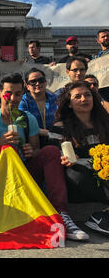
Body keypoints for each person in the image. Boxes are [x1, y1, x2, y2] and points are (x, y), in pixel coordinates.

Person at [0, 73, 89, 241]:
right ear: (0, 93)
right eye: (9, 93)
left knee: (51, 151)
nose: (13, 98)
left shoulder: (28, 118)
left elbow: (37, 150)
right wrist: (0, 143)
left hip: (26, 175)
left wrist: (31, 151)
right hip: (0, 180)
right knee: (9, 150)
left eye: (18, 94)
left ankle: (62, 214)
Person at [50, 81, 109, 235]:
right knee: (74, 173)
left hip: (105, 174)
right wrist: (63, 158)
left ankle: (102, 217)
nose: (84, 99)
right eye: (78, 97)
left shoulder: (105, 122)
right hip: (80, 180)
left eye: (87, 95)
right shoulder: (60, 126)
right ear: (69, 103)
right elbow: (54, 154)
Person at [19, 68, 58, 147]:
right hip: (32, 141)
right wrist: (48, 133)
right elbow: (23, 124)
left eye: (41, 80)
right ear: (27, 85)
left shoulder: (55, 98)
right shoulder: (23, 101)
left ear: (46, 82)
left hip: (56, 139)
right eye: (33, 82)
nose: (37, 83)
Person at [92, 29, 109, 102]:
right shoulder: (96, 57)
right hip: (102, 92)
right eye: (103, 37)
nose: (106, 38)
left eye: (108, 36)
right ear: (98, 41)